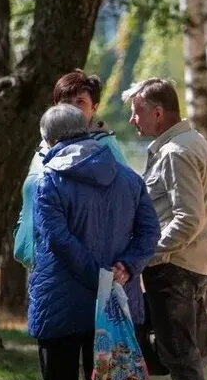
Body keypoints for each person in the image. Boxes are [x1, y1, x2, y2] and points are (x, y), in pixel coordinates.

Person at [28, 104, 159, 380]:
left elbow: (56, 239)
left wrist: (95, 273)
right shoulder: (126, 176)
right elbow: (150, 231)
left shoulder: (48, 179)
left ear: (50, 139)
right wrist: (125, 267)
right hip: (114, 297)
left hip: (62, 296)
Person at [123, 78, 207, 380]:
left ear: (158, 112)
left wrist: (145, 252)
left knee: (181, 359)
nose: (133, 119)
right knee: (185, 358)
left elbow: (187, 218)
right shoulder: (190, 142)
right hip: (190, 265)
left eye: (138, 111)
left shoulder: (176, 152)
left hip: (175, 268)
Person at [15, 70, 128, 269]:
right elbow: (31, 192)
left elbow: (125, 203)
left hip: (78, 266)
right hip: (39, 262)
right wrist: (22, 237)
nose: (73, 108)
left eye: (80, 102)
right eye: (66, 101)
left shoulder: (105, 148)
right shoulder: (44, 147)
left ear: (94, 108)